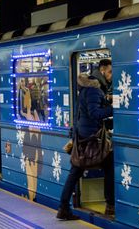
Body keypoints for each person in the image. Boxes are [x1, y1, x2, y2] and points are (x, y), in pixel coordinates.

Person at [57, 73, 114, 220]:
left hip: (82, 138)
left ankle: (63, 207)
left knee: (75, 172)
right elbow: (95, 113)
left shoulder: (82, 91)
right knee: (109, 164)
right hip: (93, 139)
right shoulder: (93, 91)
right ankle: (110, 205)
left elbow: (84, 113)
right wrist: (114, 108)